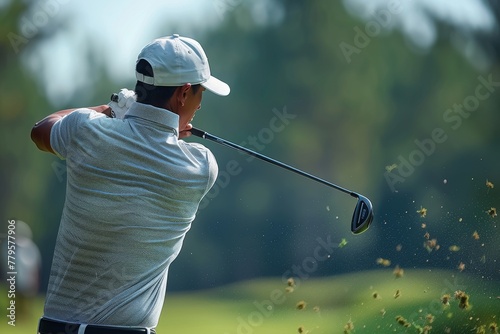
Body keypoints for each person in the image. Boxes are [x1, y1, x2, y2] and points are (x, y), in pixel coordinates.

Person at [31, 34, 230, 334]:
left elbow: (40, 131)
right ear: (183, 92)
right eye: (200, 92)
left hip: (55, 327)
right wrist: (166, 131)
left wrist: (109, 110)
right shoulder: (200, 167)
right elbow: (154, 147)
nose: (200, 104)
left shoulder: (85, 130)